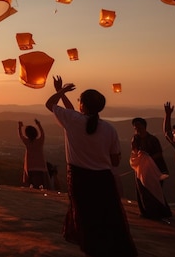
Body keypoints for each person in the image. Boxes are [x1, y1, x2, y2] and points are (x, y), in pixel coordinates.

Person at [46, 77, 137, 257]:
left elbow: (50, 104)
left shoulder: (73, 121)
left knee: (85, 215)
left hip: (80, 178)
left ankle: (91, 248)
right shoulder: (109, 129)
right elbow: (115, 161)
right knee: (107, 216)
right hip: (103, 179)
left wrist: (60, 92)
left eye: (79, 100)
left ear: (83, 105)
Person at [129, 117, 171, 220]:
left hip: (154, 169)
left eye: (139, 126)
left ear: (144, 127)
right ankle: (147, 212)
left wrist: (147, 158)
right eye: (135, 127)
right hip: (141, 170)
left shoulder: (153, 139)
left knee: (155, 190)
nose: (137, 129)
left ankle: (160, 212)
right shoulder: (136, 139)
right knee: (142, 190)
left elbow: (159, 154)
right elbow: (134, 152)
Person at [18, 119, 49, 189]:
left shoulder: (27, 142)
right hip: (41, 166)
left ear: (27, 134)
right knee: (40, 183)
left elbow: (21, 136)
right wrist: (39, 124)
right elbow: (42, 133)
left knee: (33, 183)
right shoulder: (40, 142)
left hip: (30, 166)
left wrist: (20, 127)